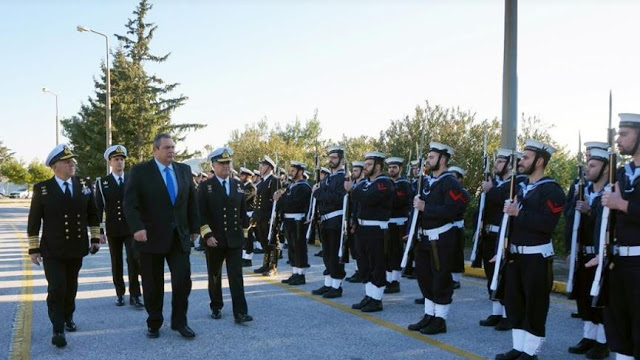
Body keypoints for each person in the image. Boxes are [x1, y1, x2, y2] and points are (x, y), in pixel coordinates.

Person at [123, 133, 199, 339]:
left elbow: (191, 201)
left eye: (173, 147)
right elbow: (130, 204)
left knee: (183, 281)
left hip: (179, 236)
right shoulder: (140, 171)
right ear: (155, 150)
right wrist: (137, 228)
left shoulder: (184, 170)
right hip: (150, 237)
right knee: (152, 283)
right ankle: (154, 321)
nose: (171, 151)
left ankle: (180, 322)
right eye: (167, 148)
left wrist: (194, 228)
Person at [496, 139, 565, 360]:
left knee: (535, 306)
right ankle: (519, 348)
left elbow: (547, 225)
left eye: (526, 157)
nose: (521, 161)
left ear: (540, 161)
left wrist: (519, 213)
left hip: (537, 257)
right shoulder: (521, 185)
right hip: (516, 254)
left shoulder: (552, 190)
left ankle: (531, 351)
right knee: (515, 303)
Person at [27, 144, 101, 347]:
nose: (72, 164)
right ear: (55, 166)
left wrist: (95, 237)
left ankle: (68, 316)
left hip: (76, 247)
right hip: (52, 249)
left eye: (73, 161)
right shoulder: (42, 189)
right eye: (67, 161)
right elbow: (34, 221)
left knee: (71, 287)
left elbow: (93, 213)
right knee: (57, 287)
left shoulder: (84, 184)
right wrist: (34, 249)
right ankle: (57, 328)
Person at [407, 142, 469, 335]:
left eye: (432, 157)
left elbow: (458, 206)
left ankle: (440, 319)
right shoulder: (426, 182)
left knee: (440, 279)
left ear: (442, 159)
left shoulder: (449, 182)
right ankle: (429, 314)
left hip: (441, 238)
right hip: (425, 237)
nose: (428, 160)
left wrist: (427, 208)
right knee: (425, 277)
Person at [601, 113, 640, 360]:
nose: (618, 139)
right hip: (618, 261)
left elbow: (620, 207)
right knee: (618, 326)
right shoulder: (622, 173)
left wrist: (623, 205)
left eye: (624, 134)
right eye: (617, 134)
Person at [198, 147, 252, 323]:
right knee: (214, 275)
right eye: (222, 163)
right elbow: (201, 214)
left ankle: (240, 312)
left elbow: (243, 213)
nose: (226, 166)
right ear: (213, 165)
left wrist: (244, 235)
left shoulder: (239, 185)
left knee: (236, 276)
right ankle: (216, 305)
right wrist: (207, 235)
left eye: (228, 162)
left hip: (234, 239)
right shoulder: (206, 187)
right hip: (215, 240)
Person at [567, 149, 610, 359]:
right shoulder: (583, 190)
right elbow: (569, 219)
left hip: (600, 255)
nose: (588, 169)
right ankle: (588, 337)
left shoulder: (610, 192)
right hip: (583, 254)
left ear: (605, 168)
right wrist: (570, 247)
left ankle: (603, 341)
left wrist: (590, 210)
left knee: (600, 299)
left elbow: (611, 223)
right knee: (584, 297)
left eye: (593, 166)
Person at [478, 149, 524, 331]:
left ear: (510, 164)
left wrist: (490, 190)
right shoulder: (496, 183)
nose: (496, 164)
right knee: (492, 275)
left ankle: (507, 315)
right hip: (489, 235)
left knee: (504, 276)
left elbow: (501, 199)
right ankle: (496, 312)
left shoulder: (518, 182)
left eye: (500, 161)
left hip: (503, 235)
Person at [95, 145, 143, 308]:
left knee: (134, 260)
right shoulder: (103, 183)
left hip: (131, 228)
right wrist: (99, 231)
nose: (119, 163)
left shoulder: (133, 179)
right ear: (110, 162)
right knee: (116, 262)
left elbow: (139, 205)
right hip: (113, 228)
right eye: (116, 160)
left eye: (122, 160)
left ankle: (135, 295)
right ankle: (120, 293)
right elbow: (99, 208)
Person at [346, 151, 395, 312]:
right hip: (362, 228)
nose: (365, 167)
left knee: (377, 264)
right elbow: (358, 203)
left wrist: (353, 189)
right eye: (365, 164)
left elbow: (369, 198)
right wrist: (354, 220)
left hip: (376, 229)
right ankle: (369, 295)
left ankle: (377, 299)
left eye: (368, 164)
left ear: (378, 166)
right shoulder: (363, 184)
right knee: (364, 264)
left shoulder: (385, 183)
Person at [311, 147, 347, 298]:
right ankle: (328, 283)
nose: (331, 159)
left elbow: (337, 198)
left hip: (336, 220)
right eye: (330, 157)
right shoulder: (327, 178)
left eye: (334, 157)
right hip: (325, 220)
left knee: (334, 254)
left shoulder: (343, 178)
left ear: (341, 160)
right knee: (326, 254)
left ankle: (336, 286)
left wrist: (318, 193)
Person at [277, 161, 312, 285]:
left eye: (293, 171)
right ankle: (295, 272)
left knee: (299, 248)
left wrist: (281, 198)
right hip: (289, 220)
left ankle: (300, 274)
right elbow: (285, 203)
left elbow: (294, 203)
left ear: (301, 172)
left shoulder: (304, 187)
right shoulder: (293, 185)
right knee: (292, 247)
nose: (290, 173)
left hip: (298, 220)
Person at [384, 157, 412, 294]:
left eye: (394, 167)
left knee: (396, 252)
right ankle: (389, 280)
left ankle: (395, 281)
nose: (391, 170)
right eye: (389, 167)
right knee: (387, 253)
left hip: (399, 222)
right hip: (388, 222)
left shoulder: (404, 184)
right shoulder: (387, 183)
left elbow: (399, 200)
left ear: (400, 169)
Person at [252, 155, 279, 276]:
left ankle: (272, 266)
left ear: (268, 167)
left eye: (262, 166)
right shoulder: (263, 181)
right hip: (260, 216)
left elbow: (277, 200)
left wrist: (275, 218)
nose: (260, 168)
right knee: (263, 240)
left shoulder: (274, 180)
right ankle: (266, 264)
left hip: (269, 216)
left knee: (272, 242)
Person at [346, 161, 365, 283]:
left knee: (360, 250)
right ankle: (359, 270)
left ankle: (362, 272)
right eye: (353, 170)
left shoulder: (363, 185)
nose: (353, 173)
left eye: (356, 170)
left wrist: (355, 222)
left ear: (363, 172)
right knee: (354, 249)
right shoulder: (353, 185)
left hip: (359, 221)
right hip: (351, 218)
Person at [448, 165, 467, 290]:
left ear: (460, 179)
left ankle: (455, 279)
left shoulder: (462, 192)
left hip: (456, 226)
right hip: (445, 227)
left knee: (456, 254)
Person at [239, 167, 257, 267]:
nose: (240, 177)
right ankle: (244, 256)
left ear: (248, 176)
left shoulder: (251, 187)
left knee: (248, 237)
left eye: (242, 175)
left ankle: (248, 258)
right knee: (244, 237)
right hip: (243, 214)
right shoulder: (242, 186)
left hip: (249, 214)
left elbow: (244, 198)